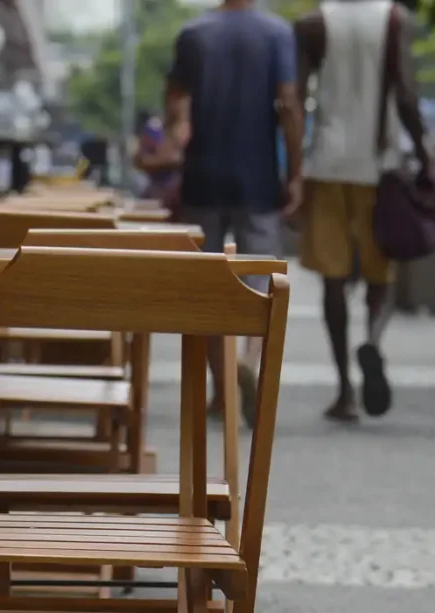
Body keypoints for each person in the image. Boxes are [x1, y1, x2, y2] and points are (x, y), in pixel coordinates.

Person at [165, 0, 304, 426]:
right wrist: (295, 172)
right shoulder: (277, 33)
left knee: (208, 285)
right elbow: (289, 103)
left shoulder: (193, 34)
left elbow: (174, 105)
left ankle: (221, 387)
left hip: (202, 176)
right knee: (260, 281)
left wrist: (177, 134)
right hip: (258, 177)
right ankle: (246, 358)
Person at [294, 0, 431, 422]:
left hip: (328, 165)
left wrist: (294, 169)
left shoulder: (313, 24)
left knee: (332, 282)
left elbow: (297, 98)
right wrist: (425, 151)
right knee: (381, 273)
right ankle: (371, 339)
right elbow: (406, 94)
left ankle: (345, 391)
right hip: (380, 166)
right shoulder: (395, 20)